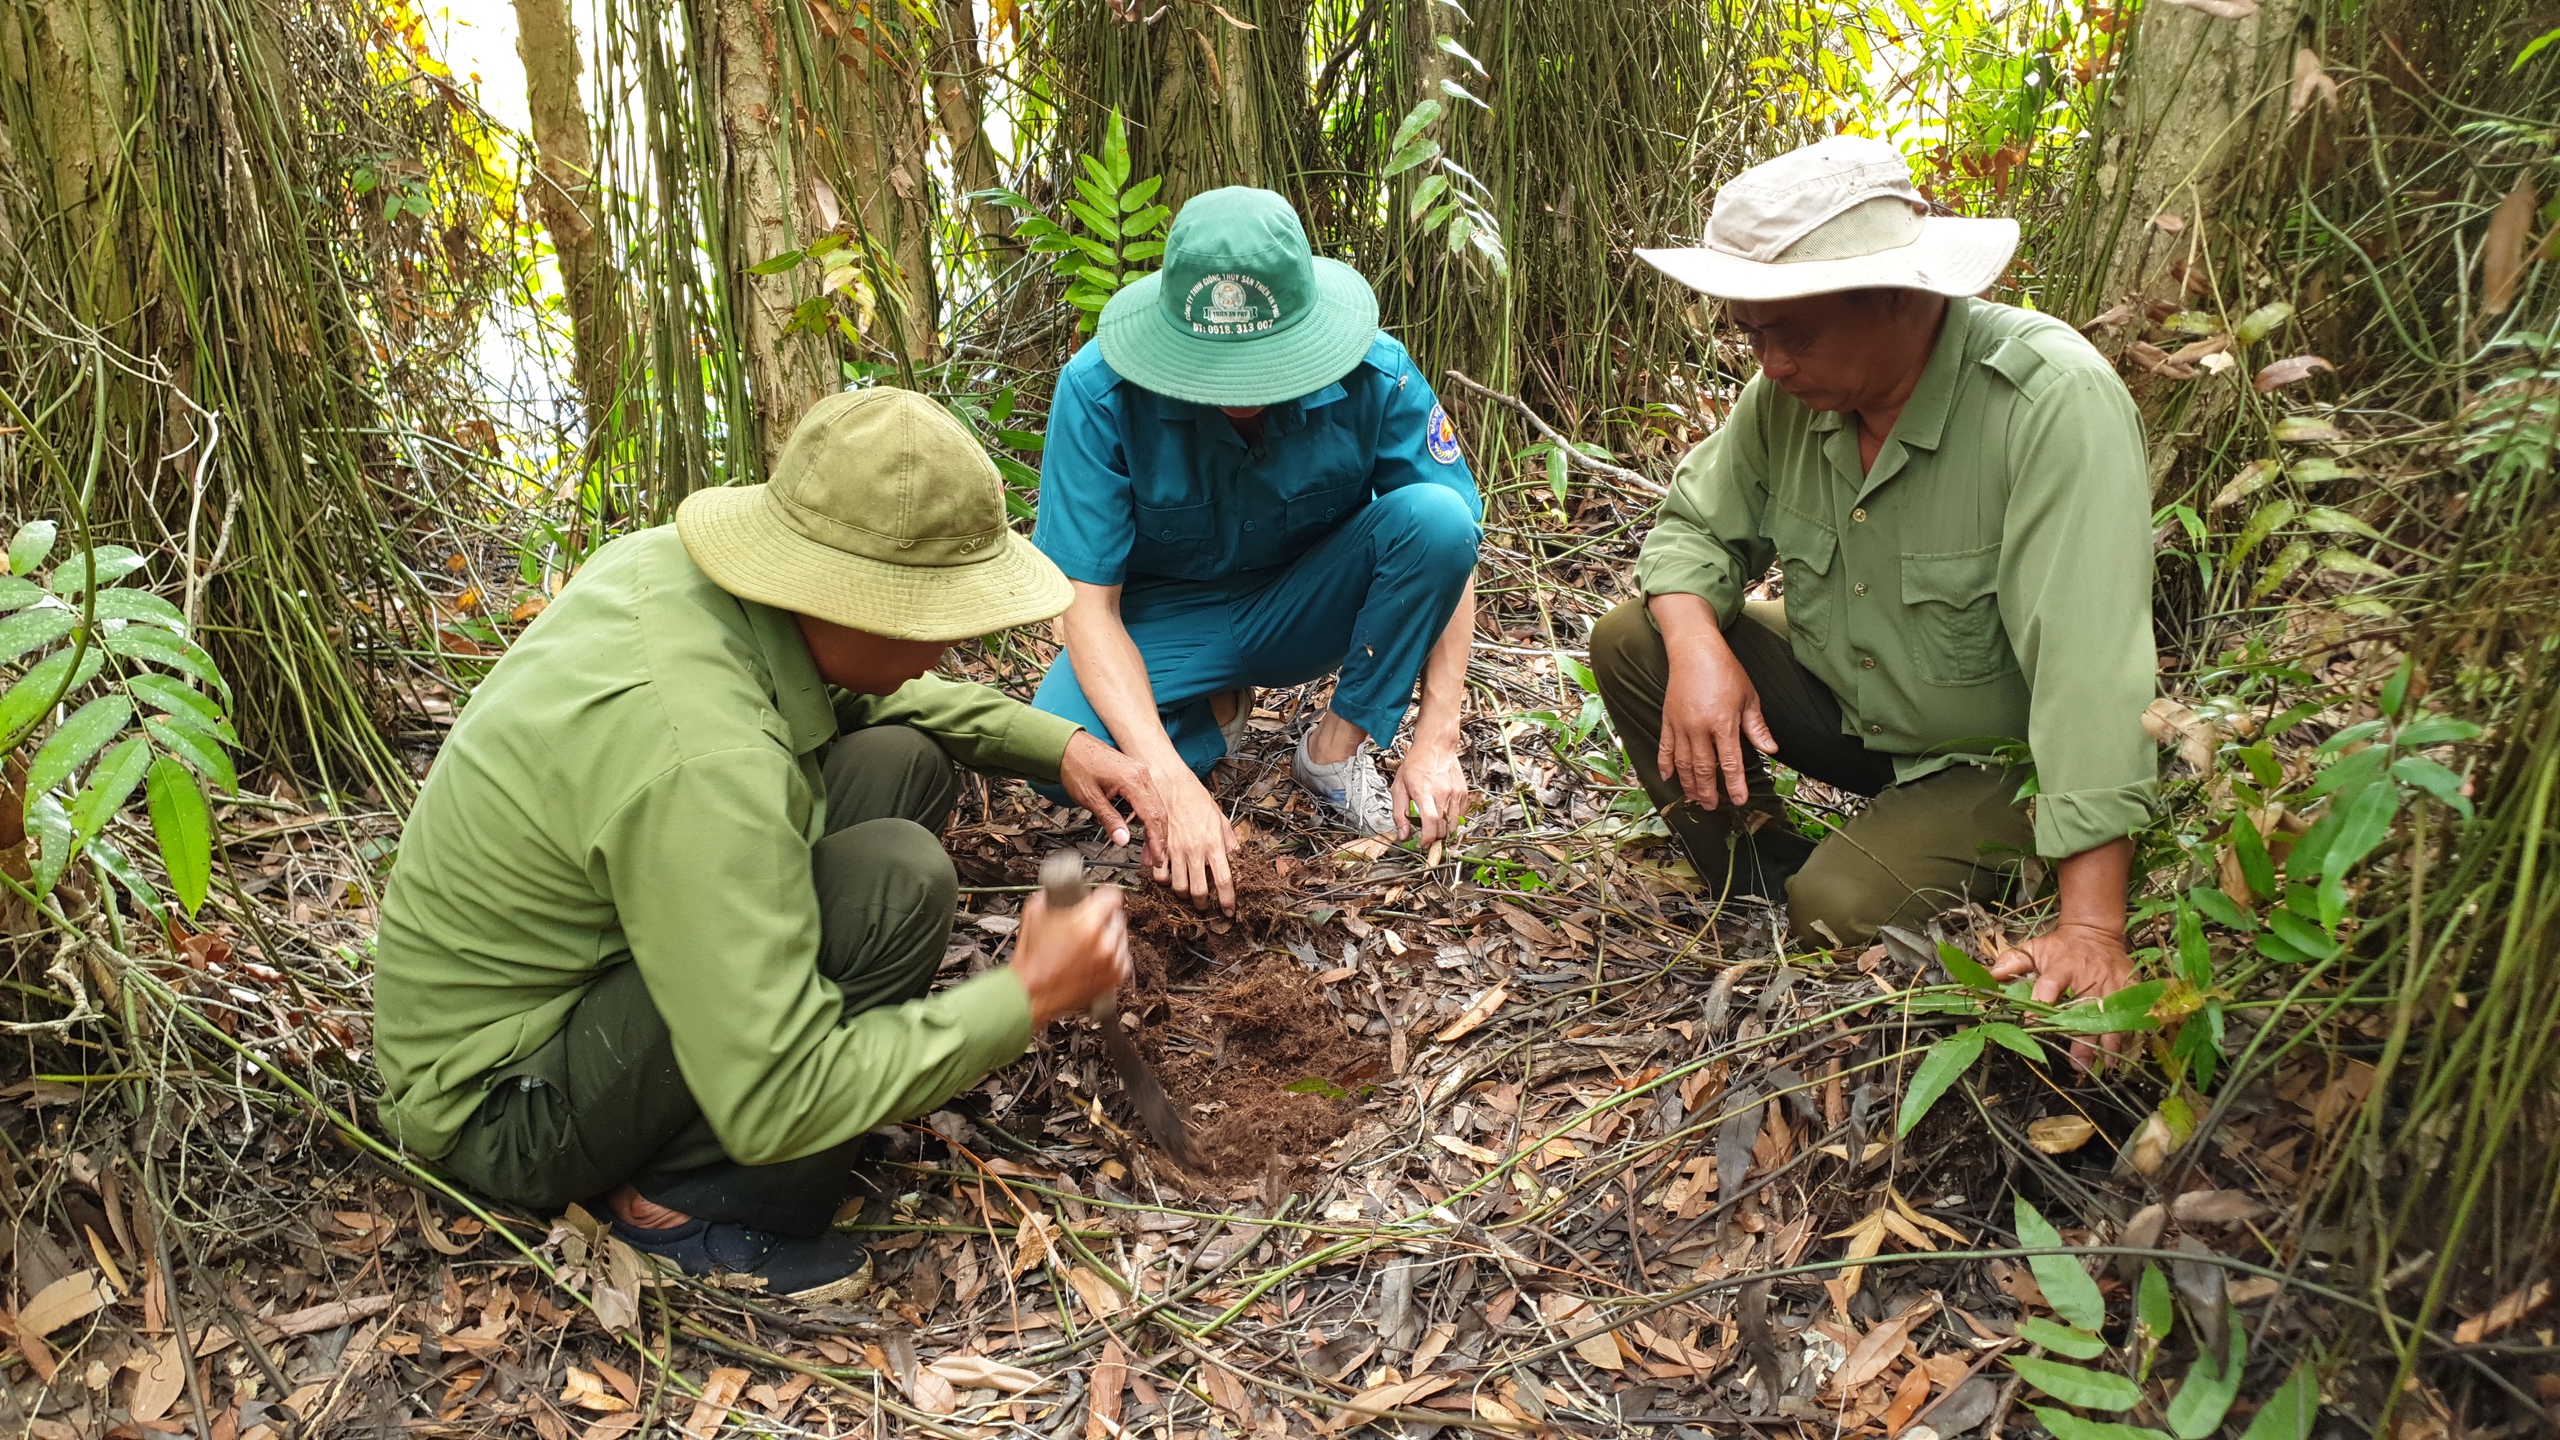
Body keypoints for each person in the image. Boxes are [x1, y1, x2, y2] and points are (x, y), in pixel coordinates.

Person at [373, 388, 1167, 1299]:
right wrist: (1023, 997)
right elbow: (777, 1095)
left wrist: (1054, 741)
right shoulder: (708, 756)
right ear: (860, 601)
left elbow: (866, 692)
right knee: (897, 885)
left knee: (902, 762)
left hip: (578, 966)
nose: (957, 642)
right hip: (506, 1102)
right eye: (943, 616)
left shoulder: (683, 578)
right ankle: (691, 1207)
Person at [1592, 136, 2157, 1004]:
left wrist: (2091, 925)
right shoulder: (1787, 394)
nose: (1772, 366)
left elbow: (2088, 668)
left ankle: (1820, 896)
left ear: (1900, 296)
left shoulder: (2046, 404)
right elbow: (1692, 530)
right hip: (1854, 702)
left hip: (1998, 755)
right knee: (1639, 639)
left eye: (1797, 335)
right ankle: (1754, 887)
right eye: (1753, 338)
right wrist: (1697, 644)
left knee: (1837, 912)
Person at [1029, 186, 1484, 914]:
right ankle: (1213, 711)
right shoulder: (1100, 393)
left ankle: (1332, 752)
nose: (1245, 393)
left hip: (1308, 603)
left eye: (1268, 367)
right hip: (1166, 624)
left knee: (1436, 518)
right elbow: (1085, 608)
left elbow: (1451, 544)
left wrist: (1438, 735)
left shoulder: (1375, 372)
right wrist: (1168, 780)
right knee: (1061, 751)